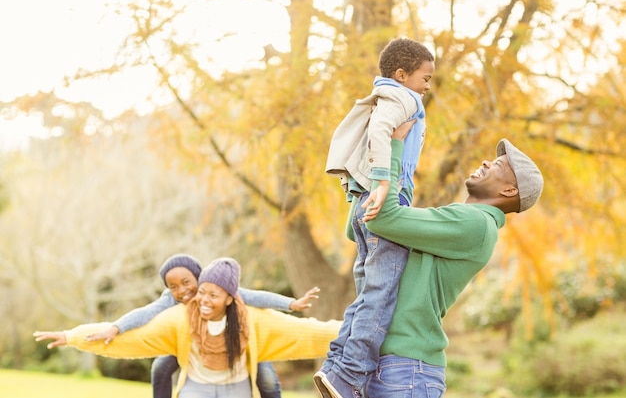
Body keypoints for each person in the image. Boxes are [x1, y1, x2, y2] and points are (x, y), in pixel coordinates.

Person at [357, 123, 543, 397]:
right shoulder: (462, 222)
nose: (485, 162)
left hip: (405, 369)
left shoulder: (476, 223)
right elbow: (363, 226)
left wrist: (393, 146)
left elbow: (382, 218)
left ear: (508, 192)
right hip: (396, 366)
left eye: (498, 166)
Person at [34, 257, 341, 398]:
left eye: (210, 294)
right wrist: (72, 336)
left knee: (268, 380)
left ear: (231, 298)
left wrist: (293, 305)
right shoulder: (176, 315)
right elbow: (138, 328)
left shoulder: (252, 315)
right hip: (197, 383)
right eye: (200, 292)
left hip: (238, 381)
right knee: (160, 367)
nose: (198, 298)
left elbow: (309, 333)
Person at [317, 38, 435, 397]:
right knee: (381, 294)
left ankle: (335, 368)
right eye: (425, 78)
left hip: (366, 202)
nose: (427, 86)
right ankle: (349, 377)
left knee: (367, 293)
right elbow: (382, 133)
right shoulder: (402, 98)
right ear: (402, 75)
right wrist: (384, 184)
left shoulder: (386, 95)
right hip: (385, 196)